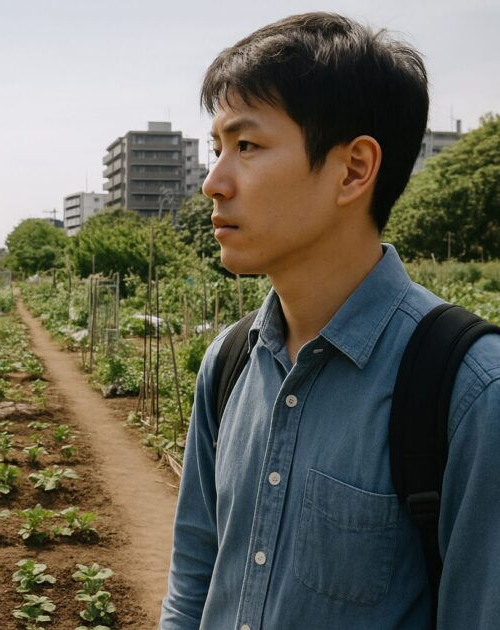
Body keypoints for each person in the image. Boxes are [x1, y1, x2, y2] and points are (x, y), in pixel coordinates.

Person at [160, 12, 500, 630]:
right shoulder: (231, 361)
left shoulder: (470, 392)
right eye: (216, 150)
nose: (213, 182)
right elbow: (192, 585)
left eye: (246, 146)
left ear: (353, 170)